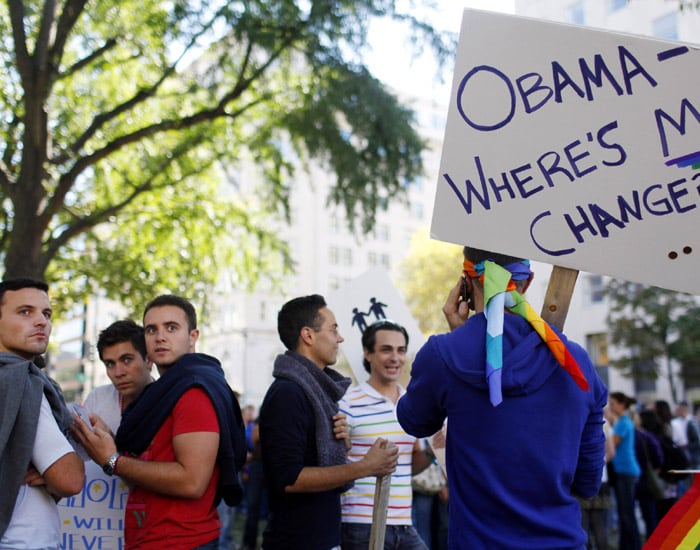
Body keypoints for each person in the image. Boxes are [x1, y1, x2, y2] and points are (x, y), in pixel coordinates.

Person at [396, 247, 608, 549]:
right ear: (528, 280)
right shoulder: (575, 362)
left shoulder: (443, 355)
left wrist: (458, 340)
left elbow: (413, 420)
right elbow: (588, 483)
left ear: (466, 284)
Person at [72, 294, 247, 549]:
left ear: (193, 336)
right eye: (151, 329)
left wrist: (112, 460)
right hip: (152, 537)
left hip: (181, 540)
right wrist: (111, 443)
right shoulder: (163, 393)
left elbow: (191, 481)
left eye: (171, 328)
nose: (160, 336)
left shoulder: (193, 392)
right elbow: (149, 467)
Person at [258, 294, 399, 550]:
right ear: (308, 335)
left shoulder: (318, 392)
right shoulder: (288, 394)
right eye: (333, 330)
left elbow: (311, 459)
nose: (340, 338)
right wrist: (364, 467)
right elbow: (289, 479)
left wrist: (340, 445)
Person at [0, 278, 85, 548]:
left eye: (46, 314)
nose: (41, 322)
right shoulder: (22, 381)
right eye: (25, 312)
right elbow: (70, 479)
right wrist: (56, 474)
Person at [339, 320, 431, 550]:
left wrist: (432, 451)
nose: (395, 358)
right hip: (360, 525)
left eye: (401, 350)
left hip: (404, 523)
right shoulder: (348, 402)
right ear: (367, 354)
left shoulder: (413, 403)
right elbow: (337, 464)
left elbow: (409, 466)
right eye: (386, 349)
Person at [84, 319, 154, 432]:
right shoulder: (97, 398)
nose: (118, 373)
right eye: (110, 364)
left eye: (127, 360)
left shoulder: (166, 402)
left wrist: (110, 445)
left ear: (149, 360)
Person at [608, 391, 641, 550]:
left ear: (621, 404)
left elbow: (611, 444)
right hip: (625, 470)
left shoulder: (623, 423)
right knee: (625, 512)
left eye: (613, 403)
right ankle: (628, 544)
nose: (611, 406)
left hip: (625, 471)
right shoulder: (624, 421)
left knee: (626, 513)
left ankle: (632, 545)